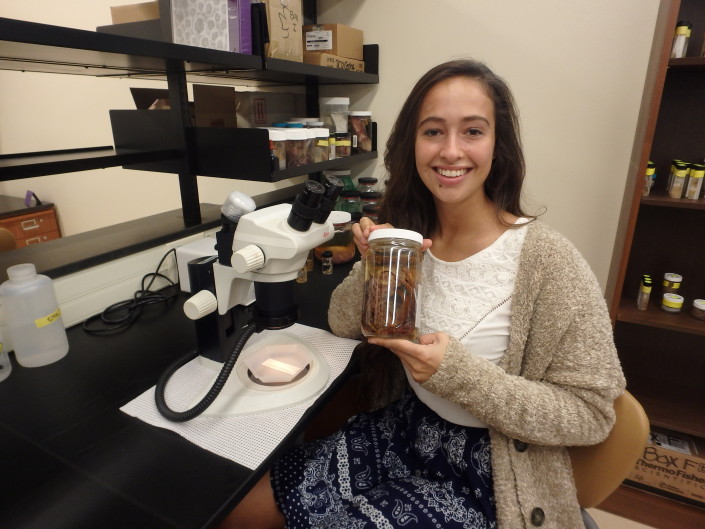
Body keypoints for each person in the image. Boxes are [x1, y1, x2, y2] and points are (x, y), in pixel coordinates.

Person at [219, 59, 625, 529]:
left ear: (499, 145)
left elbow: (592, 415)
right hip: (407, 428)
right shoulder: (411, 240)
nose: (451, 151)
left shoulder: (548, 262)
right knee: (243, 507)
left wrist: (459, 375)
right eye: (434, 132)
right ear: (413, 143)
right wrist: (374, 263)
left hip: (489, 473)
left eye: (473, 131)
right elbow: (343, 324)